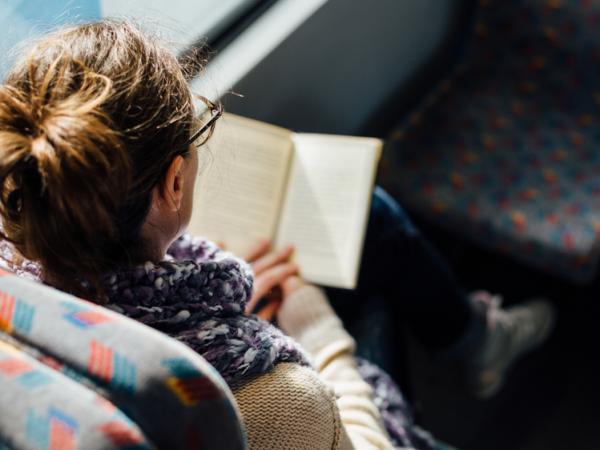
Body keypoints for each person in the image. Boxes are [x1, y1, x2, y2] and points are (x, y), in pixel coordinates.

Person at [0, 20, 554, 450]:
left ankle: (473, 339)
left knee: (371, 218)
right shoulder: (275, 402)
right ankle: (476, 342)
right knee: (371, 242)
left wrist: (229, 311)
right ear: (172, 183)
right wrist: (317, 329)